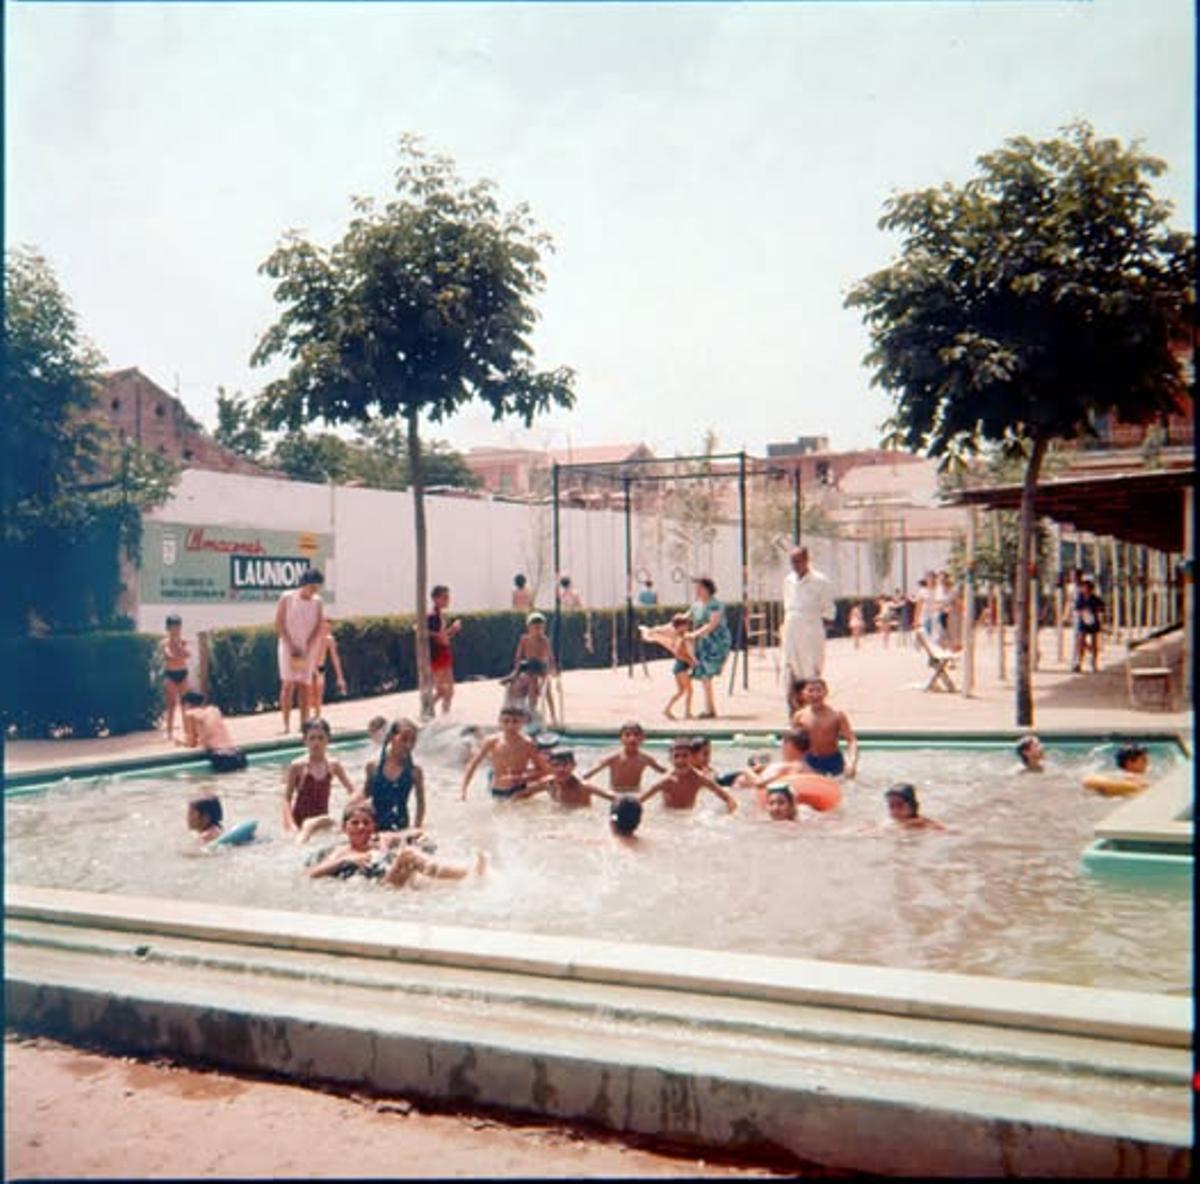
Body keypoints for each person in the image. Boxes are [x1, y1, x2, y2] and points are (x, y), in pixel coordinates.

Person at [307, 802, 483, 887]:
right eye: (355, 823)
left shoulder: (382, 840)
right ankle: (467, 873)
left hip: (395, 876)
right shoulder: (343, 852)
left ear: (373, 826)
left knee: (412, 853)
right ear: (345, 828)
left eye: (366, 823)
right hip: (383, 886)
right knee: (408, 856)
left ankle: (460, 873)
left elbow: (413, 833)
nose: (361, 827)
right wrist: (346, 861)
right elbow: (312, 874)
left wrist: (418, 836)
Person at [282, 717, 356, 840]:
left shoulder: (334, 765)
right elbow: (287, 799)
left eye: (321, 738)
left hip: (322, 822)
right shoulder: (297, 766)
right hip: (300, 823)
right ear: (305, 740)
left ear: (328, 739)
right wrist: (290, 825)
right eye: (312, 738)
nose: (316, 743)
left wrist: (349, 816)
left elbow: (352, 792)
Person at [460, 706, 550, 801]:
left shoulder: (527, 744)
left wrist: (522, 777)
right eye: (506, 721)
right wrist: (463, 791)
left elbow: (544, 770)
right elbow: (473, 765)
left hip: (519, 789)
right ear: (500, 722)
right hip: (497, 790)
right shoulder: (492, 741)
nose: (510, 726)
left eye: (515, 721)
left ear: (522, 722)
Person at [274, 569, 326, 733]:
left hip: (308, 648)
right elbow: (279, 623)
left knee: (305, 685)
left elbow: (319, 625)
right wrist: (291, 645)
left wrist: (308, 645)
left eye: (317, 587)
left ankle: (304, 724)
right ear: (304, 584)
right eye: (312, 586)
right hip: (288, 646)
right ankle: (285, 725)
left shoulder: (317, 601)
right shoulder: (287, 597)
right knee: (288, 684)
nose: (315, 590)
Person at [743, 728, 842, 812]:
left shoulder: (784, 767)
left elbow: (759, 784)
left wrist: (747, 771)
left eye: (783, 744)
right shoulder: (809, 769)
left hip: (784, 804)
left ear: (789, 745)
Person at [361, 718, 427, 833]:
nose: (408, 745)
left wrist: (417, 829)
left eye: (413, 740)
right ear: (391, 738)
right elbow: (366, 796)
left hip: (400, 827)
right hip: (375, 826)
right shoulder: (373, 767)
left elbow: (420, 805)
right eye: (404, 739)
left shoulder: (415, 772)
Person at [781, 547, 836, 686]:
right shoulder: (788, 580)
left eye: (798, 561)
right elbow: (787, 604)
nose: (795, 565)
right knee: (790, 665)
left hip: (811, 628)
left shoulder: (820, 580)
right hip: (791, 627)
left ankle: (812, 693)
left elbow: (828, 608)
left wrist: (819, 627)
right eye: (792, 562)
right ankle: (793, 695)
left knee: (811, 664)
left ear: (806, 560)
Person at [639, 738, 737, 813]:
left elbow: (728, 798)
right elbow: (639, 801)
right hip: (668, 816)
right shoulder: (667, 781)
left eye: (685, 755)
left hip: (689, 817)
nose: (680, 760)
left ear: (693, 758)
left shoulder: (699, 778)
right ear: (670, 759)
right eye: (676, 756)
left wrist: (730, 815)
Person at [791, 678, 858, 778]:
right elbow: (793, 743)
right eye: (810, 691)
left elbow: (851, 740)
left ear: (826, 692)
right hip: (810, 760)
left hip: (833, 760)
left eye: (818, 690)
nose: (815, 695)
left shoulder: (837, 715)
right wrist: (793, 763)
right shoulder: (799, 716)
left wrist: (852, 762)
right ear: (804, 694)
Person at [686, 577, 732, 719]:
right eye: (696, 588)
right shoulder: (696, 605)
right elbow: (683, 619)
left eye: (700, 588)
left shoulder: (715, 605)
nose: (697, 590)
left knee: (706, 674)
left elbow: (712, 624)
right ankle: (710, 709)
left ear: (707, 589)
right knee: (704, 676)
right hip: (703, 644)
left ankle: (710, 709)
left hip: (717, 644)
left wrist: (694, 634)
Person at [638, 614, 696, 719]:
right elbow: (678, 653)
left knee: (682, 691)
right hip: (682, 665)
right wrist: (691, 661)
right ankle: (687, 713)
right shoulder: (679, 637)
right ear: (680, 626)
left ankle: (668, 709)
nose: (688, 627)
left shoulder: (679, 636)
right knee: (689, 690)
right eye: (686, 625)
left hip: (680, 666)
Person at [514, 748, 614, 808]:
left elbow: (614, 798)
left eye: (565, 765)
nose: (560, 769)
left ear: (574, 765)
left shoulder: (583, 787)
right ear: (549, 767)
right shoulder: (548, 783)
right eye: (556, 765)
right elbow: (521, 795)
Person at [582, 721, 666, 792]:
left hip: (635, 793)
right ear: (621, 739)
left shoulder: (645, 759)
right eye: (627, 735)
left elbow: (664, 772)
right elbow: (589, 774)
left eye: (636, 734)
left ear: (642, 738)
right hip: (616, 793)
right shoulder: (613, 757)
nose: (632, 738)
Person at [178, 690, 248, 772]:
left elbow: (192, 743)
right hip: (237, 753)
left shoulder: (191, 714)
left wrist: (180, 743)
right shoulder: (215, 710)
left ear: (187, 704)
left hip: (221, 756)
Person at [511, 612, 557, 724]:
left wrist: (553, 668)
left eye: (541, 628)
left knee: (547, 691)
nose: (538, 631)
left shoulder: (544, 640)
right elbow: (518, 656)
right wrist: (516, 670)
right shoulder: (525, 639)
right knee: (530, 684)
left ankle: (553, 716)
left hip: (540, 667)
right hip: (529, 666)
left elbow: (550, 656)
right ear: (529, 628)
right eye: (535, 628)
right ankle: (532, 711)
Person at [428, 585, 463, 716]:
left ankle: (440, 713)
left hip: (442, 654)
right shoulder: (433, 616)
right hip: (439, 656)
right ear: (435, 599)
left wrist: (452, 631)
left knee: (446, 691)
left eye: (448, 597)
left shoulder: (438, 615)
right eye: (444, 597)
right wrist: (453, 629)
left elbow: (442, 636)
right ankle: (430, 711)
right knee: (445, 690)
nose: (448, 600)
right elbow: (439, 638)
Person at [160, 614, 190, 740]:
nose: (176, 630)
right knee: (171, 704)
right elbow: (169, 656)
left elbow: (187, 654)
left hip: (182, 673)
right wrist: (176, 649)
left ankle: (187, 731)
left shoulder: (182, 641)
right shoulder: (164, 642)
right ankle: (169, 732)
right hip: (170, 674)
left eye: (178, 627)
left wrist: (178, 646)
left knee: (185, 704)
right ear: (168, 628)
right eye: (173, 627)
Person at [310, 617, 347, 715]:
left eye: (328, 629)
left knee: (319, 696)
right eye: (324, 628)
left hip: (320, 668)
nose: (326, 631)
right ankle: (308, 718)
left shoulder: (329, 640)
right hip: (309, 668)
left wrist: (340, 677)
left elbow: (335, 658)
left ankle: (317, 716)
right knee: (310, 697)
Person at [1072, 575, 1104, 673]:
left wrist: (1094, 612)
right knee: (1081, 641)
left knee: (1094, 642)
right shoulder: (1080, 598)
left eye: (1085, 587)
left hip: (1093, 621)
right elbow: (1077, 609)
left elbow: (1101, 608)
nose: (1083, 589)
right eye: (1082, 587)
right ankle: (1079, 662)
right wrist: (1084, 613)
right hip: (1083, 622)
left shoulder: (1095, 598)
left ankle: (1094, 662)